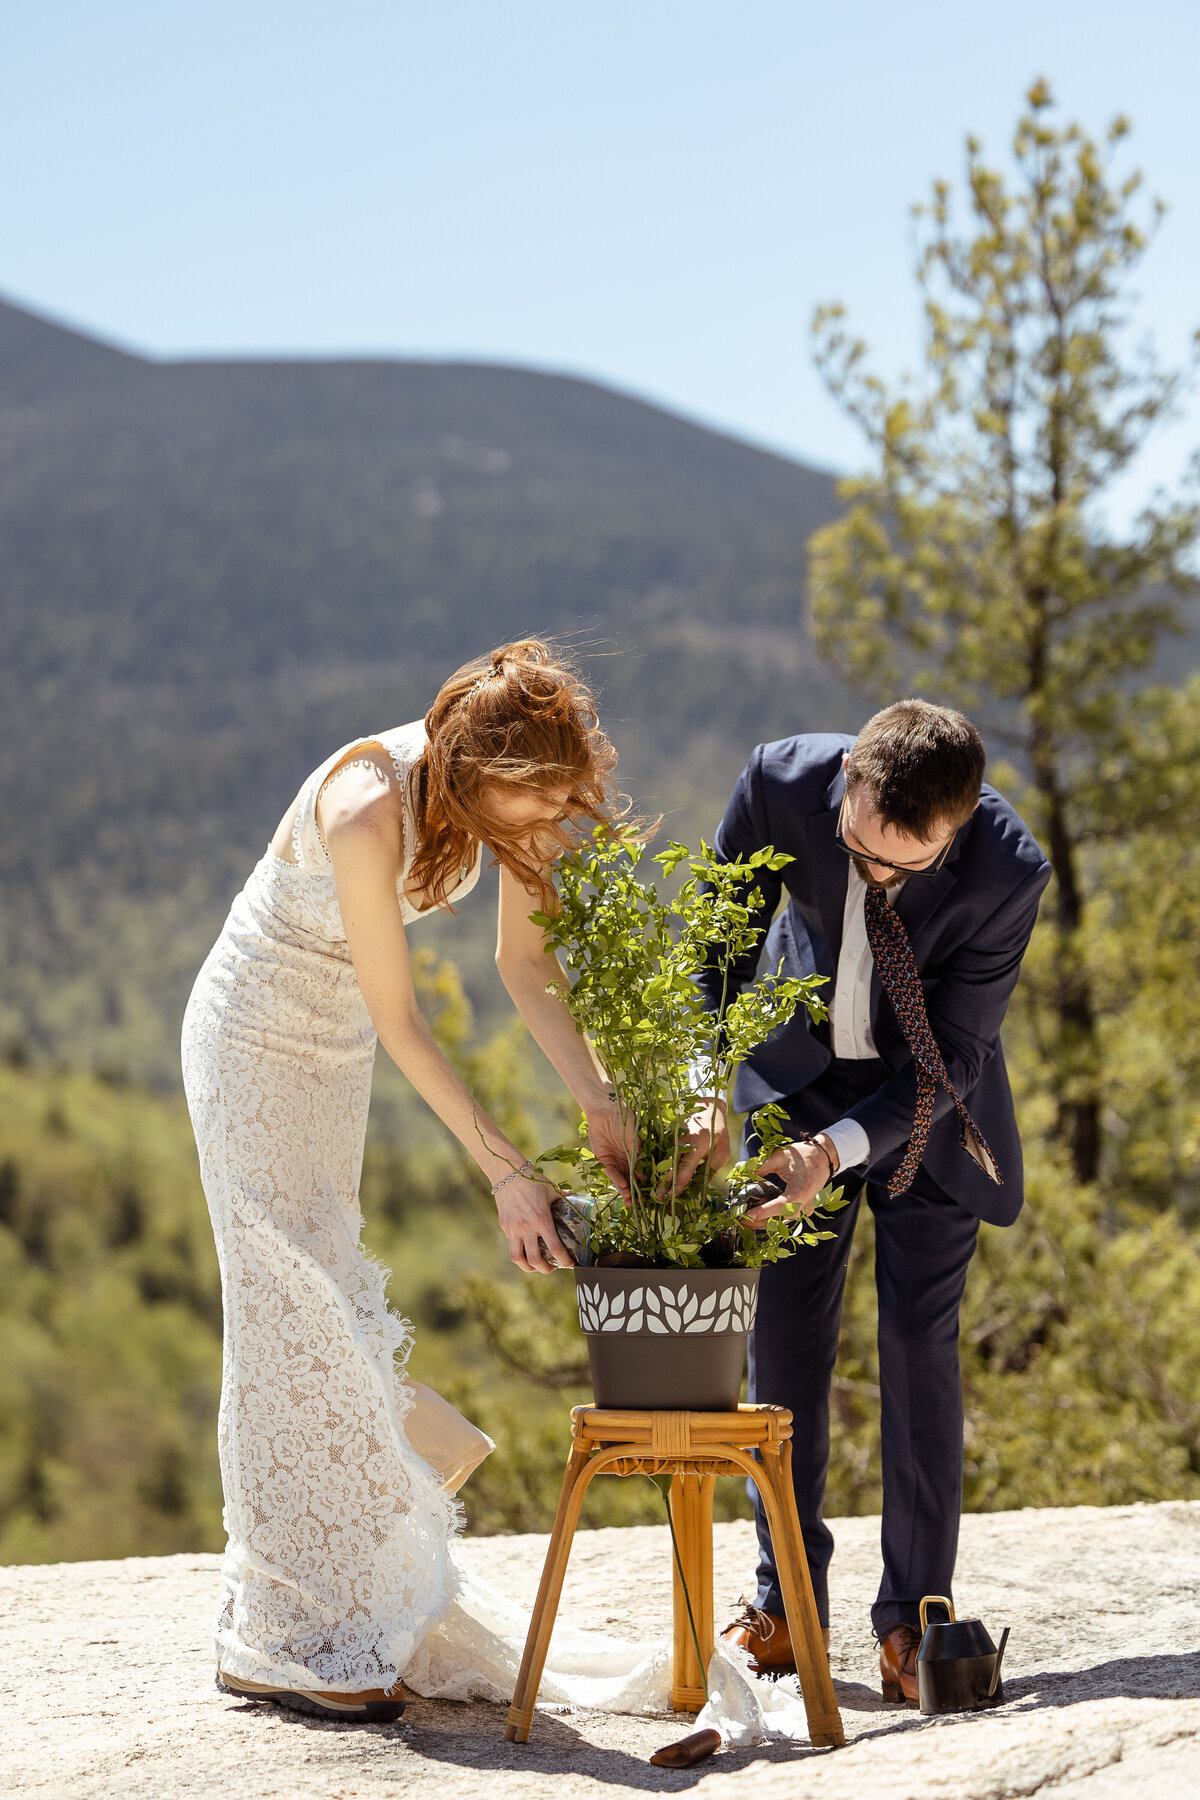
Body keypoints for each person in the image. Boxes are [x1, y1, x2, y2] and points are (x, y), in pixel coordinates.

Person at [182, 639, 636, 1720]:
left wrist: (603, 1101)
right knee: (285, 1305)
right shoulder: (363, 807)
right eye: (534, 804)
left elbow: (526, 971)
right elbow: (405, 1020)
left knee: (320, 1288)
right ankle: (281, 1631)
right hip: (251, 1043)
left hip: (333, 1051)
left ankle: (336, 1590)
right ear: (472, 775)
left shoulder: (508, 800)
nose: (549, 823)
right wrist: (511, 1177)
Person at [681, 701, 1051, 1704]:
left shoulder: (1009, 873)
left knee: (918, 1348)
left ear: (958, 825)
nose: (875, 878)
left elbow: (960, 1056)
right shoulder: (776, 786)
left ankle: (914, 1616)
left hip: (929, 1106)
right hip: (796, 1079)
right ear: (848, 778)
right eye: (859, 851)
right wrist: (705, 1078)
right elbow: (718, 943)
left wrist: (838, 1153)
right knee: (786, 1342)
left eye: (904, 867)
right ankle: (785, 1601)